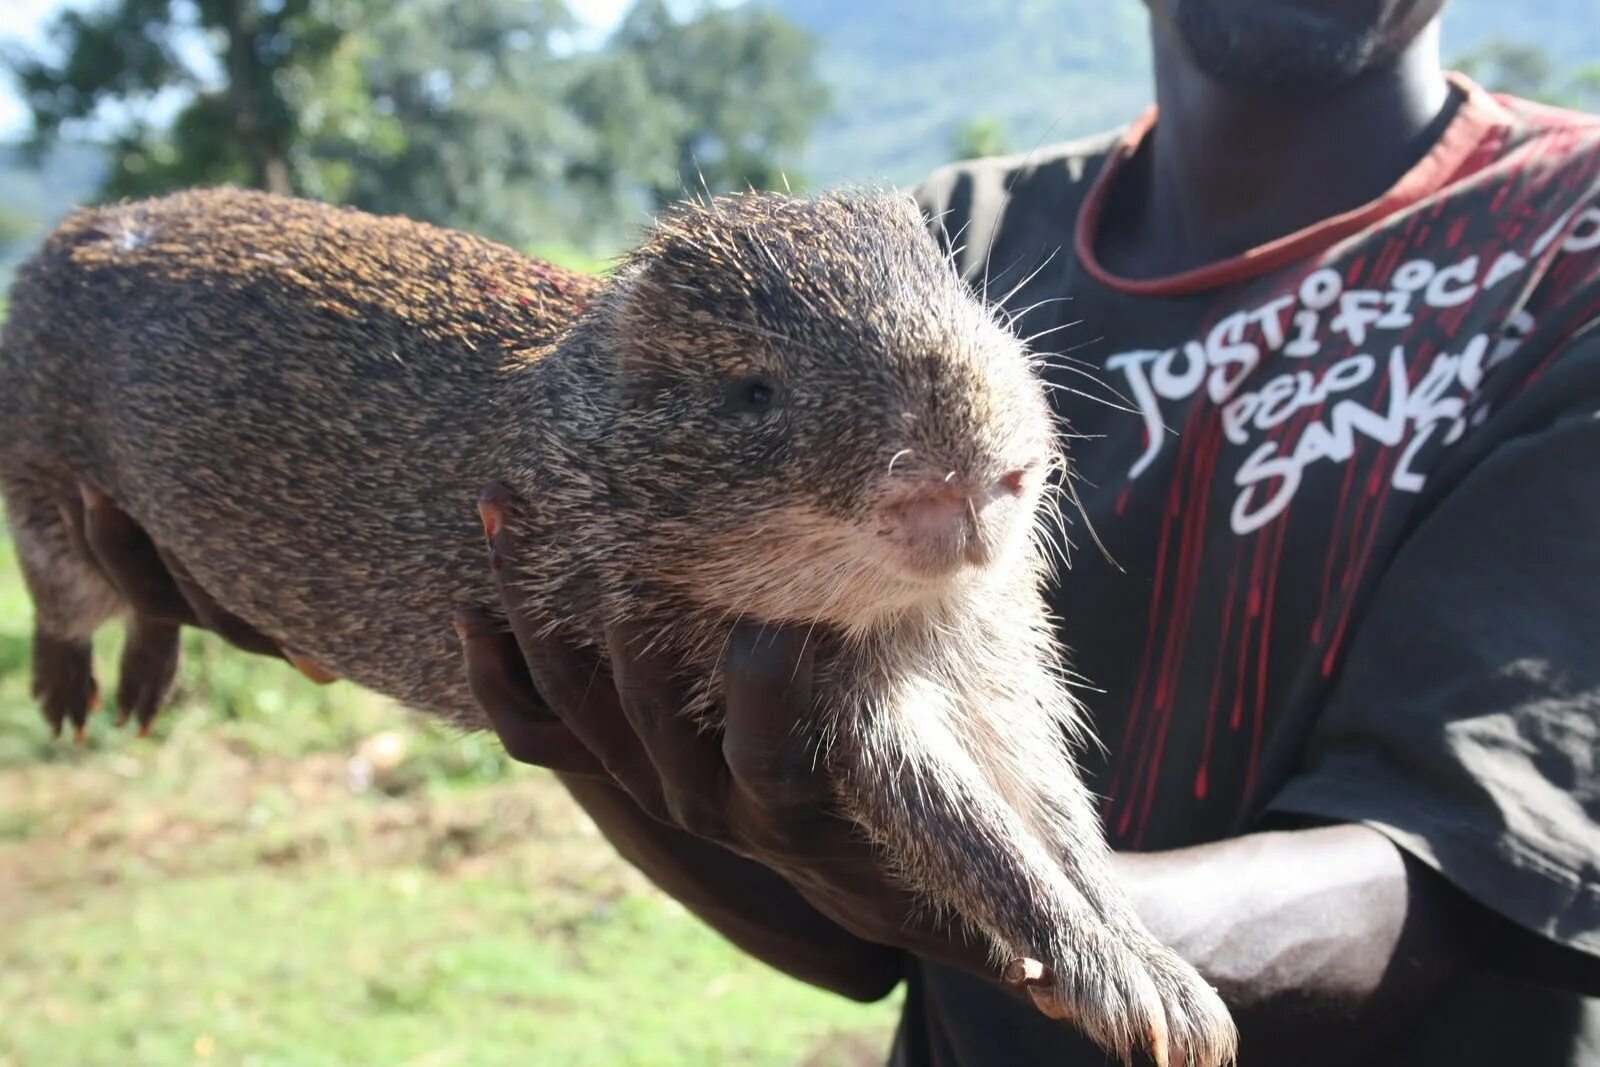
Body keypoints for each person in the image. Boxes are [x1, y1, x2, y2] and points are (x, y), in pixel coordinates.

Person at [64, 0, 1600, 1062]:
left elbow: (1480, 867)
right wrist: (575, 733)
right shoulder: (946, 233)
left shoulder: (1569, 248)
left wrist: (1067, 920)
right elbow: (850, 940)